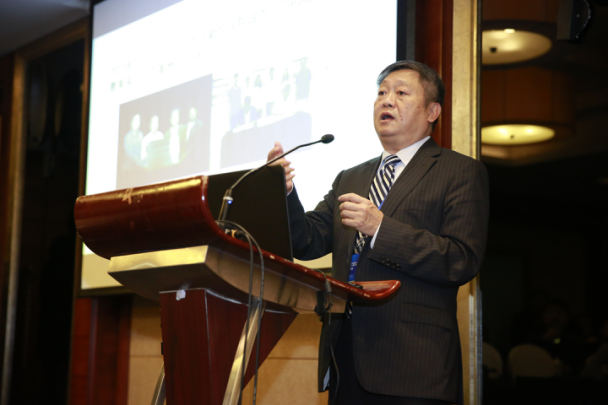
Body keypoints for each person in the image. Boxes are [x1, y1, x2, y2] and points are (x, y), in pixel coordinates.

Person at [267, 61, 489, 405]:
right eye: (382, 92)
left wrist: (380, 228)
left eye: (401, 93)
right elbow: (307, 241)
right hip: (345, 359)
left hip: (413, 364)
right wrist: (284, 194)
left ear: (432, 111)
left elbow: (461, 260)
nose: (387, 100)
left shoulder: (459, 171)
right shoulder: (351, 177)